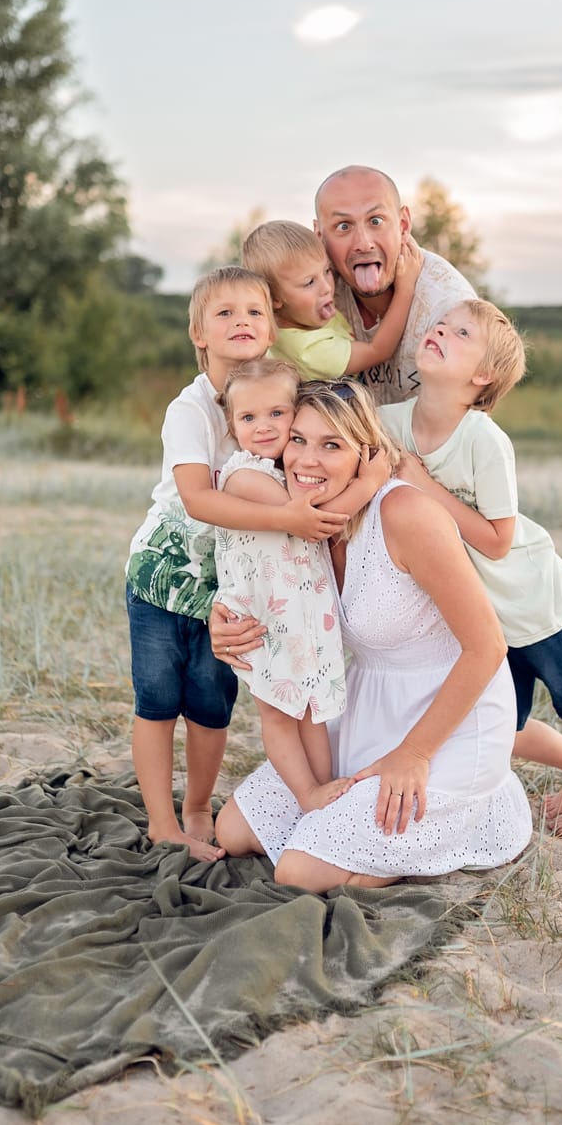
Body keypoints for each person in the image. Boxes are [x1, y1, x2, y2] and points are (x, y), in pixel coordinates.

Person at [212, 380, 533, 892]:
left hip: (446, 723)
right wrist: (222, 621)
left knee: (298, 872)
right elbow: (255, 581)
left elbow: (489, 646)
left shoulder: (405, 515)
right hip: (365, 710)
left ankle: (477, 804)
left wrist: (416, 754)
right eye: (297, 440)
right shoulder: (302, 521)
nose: (305, 460)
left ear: (366, 453)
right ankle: (370, 836)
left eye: (331, 445)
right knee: (233, 830)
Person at [383, 298, 562, 836]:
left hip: (529, 600)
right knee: (502, 725)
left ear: (482, 375)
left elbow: (499, 541)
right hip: (482, 617)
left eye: (461, 333)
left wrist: (424, 487)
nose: (441, 332)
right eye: (440, 325)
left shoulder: (484, 441)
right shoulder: (391, 423)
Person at [125, 266, 350, 863]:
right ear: (198, 333)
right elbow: (199, 499)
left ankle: (198, 808)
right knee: (157, 699)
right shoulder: (192, 408)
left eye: (253, 311)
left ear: (273, 326)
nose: (241, 322)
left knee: (210, 703)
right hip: (165, 578)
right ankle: (161, 822)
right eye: (223, 314)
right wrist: (290, 519)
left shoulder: (284, 396)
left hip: (235, 591)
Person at [214, 357, 388, 813]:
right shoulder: (244, 476)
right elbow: (312, 523)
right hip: (262, 618)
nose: (265, 426)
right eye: (249, 417)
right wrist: (369, 482)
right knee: (277, 710)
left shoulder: (280, 471)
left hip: (302, 614)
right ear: (231, 426)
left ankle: (323, 788)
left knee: (312, 707)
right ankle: (307, 793)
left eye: (277, 414)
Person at [313, 165, 478, 403]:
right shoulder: (306, 293)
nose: (364, 243)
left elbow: (468, 419)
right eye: (343, 226)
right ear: (319, 235)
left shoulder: (449, 308)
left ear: (403, 224)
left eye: (376, 221)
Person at [241, 219, 423, 380]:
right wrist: (405, 288)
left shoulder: (301, 311)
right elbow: (378, 351)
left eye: (327, 270)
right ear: (274, 299)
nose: (327, 287)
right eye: (309, 282)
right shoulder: (309, 351)